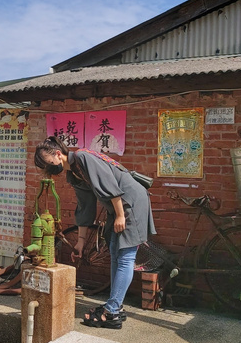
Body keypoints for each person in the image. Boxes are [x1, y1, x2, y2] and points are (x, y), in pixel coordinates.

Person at [34, 136, 156, 329]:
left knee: (125, 257)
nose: (48, 170)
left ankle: (112, 311)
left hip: (130, 203)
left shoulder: (83, 158)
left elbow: (111, 187)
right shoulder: (74, 172)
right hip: (118, 207)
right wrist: (81, 241)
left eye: (48, 164)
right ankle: (116, 305)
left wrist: (120, 216)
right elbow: (85, 206)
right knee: (116, 254)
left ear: (58, 154)